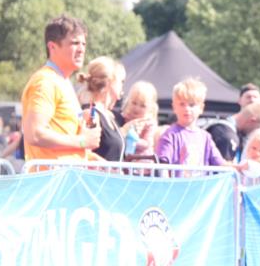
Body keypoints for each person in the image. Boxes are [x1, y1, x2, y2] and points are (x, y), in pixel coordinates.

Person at [21, 16, 102, 163]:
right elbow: (34, 134)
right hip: (52, 182)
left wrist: (106, 166)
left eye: (84, 43)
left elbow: (68, 147)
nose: (82, 49)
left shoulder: (63, 81)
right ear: (52, 47)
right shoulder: (45, 81)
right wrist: (83, 141)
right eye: (75, 43)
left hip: (66, 180)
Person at [156, 77, 229, 176]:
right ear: (174, 107)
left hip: (199, 189)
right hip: (177, 189)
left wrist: (238, 167)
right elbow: (161, 168)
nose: (186, 109)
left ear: (201, 108)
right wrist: (180, 161)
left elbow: (220, 163)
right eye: (182, 104)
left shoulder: (205, 137)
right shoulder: (169, 135)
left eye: (192, 104)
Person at [77, 57, 127, 162]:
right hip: (98, 177)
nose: (123, 86)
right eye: (121, 81)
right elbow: (84, 153)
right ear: (110, 82)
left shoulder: (109, 115)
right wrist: (108, 168)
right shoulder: (92, 114)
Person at [120, 81, 159, 157]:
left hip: (142, 160)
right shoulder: (123, 118)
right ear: (128, 101)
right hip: (126, 159)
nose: (137, 108)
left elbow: (147, 143)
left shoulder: (148, 123)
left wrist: (132, 141)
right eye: (134, 103)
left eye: (143, 106)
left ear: (150, 108)